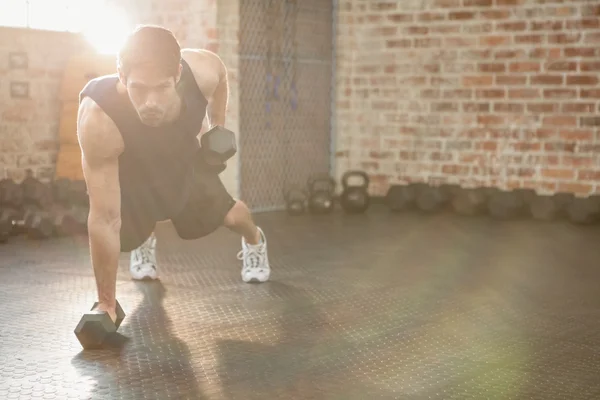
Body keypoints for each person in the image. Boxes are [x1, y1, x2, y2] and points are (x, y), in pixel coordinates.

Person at [77, 25, 270, 324]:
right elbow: (103, 218)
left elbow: (220, 75)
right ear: (122, 76)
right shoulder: (99, 119)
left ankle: (255, 241)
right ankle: (143, 244)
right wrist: (106, 305)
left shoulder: (200, 72)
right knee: (120, 229)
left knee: (232, 217)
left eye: (162, 88)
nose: (150, 102)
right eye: (138, 89)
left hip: (183, 160)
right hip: (134, 171)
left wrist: (217, 124)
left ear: (177, 75)